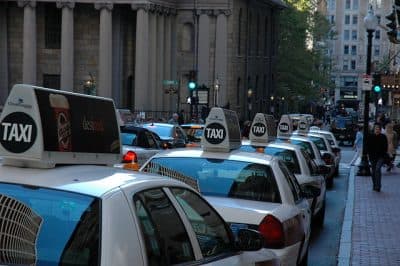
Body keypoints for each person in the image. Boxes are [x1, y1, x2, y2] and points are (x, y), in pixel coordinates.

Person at [366, 123, 388, 192]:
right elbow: (367, 147)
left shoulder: (383, 137)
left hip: (381, 156)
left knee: (377, 169)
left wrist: (383, 154)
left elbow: (385, 147)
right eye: (376, 129)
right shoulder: (370, 137)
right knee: (373, 171)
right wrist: (368, 154)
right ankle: (374, 185)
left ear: (380, 130)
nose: (377, 130)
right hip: (372, 157)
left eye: (378, 129)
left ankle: (378, 186)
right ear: (374, 129)